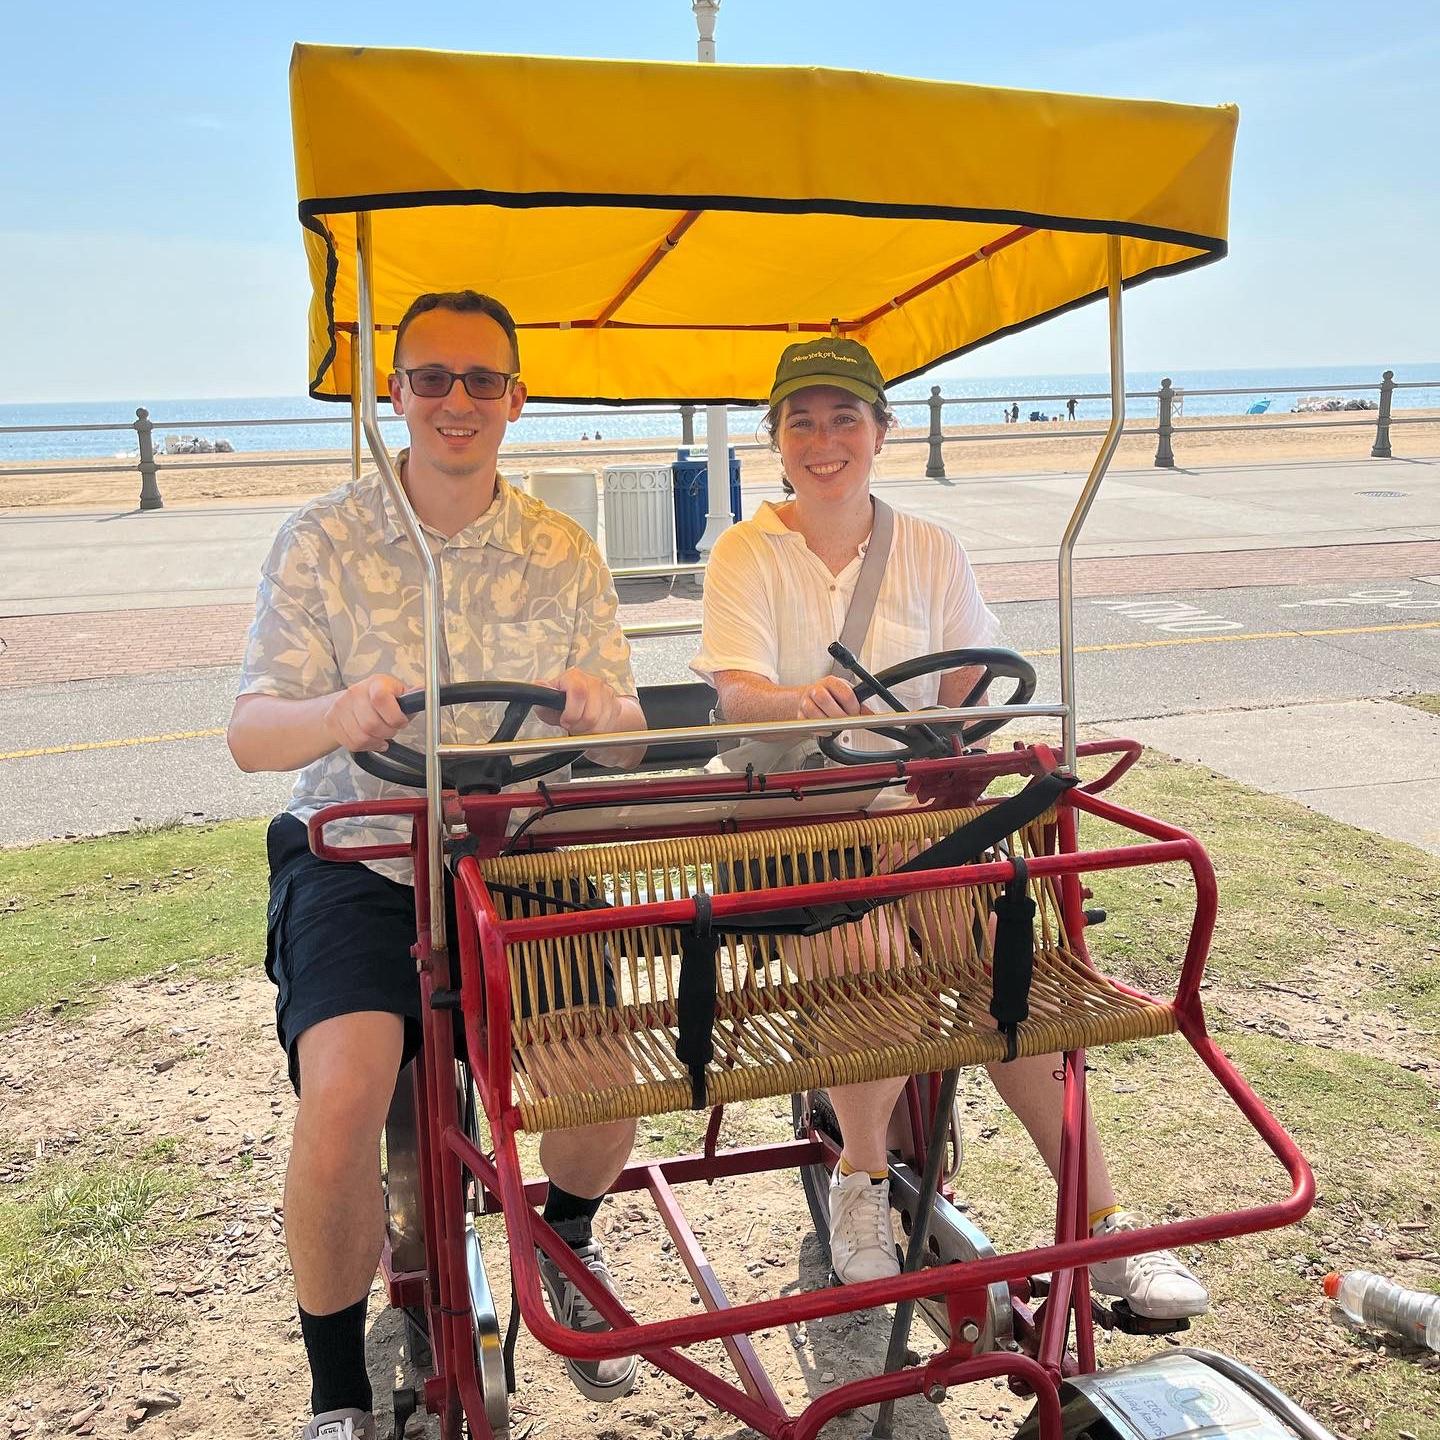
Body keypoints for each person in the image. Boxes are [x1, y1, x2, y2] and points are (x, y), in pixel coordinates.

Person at [691, 335, 1208, 1321]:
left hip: (927, 821)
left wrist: (960, 722)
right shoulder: (748, 550)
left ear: (881, 431)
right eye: (802, 419)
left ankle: (1100, 1228)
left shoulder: (929, 548)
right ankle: (862, 1182)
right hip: (799, 827)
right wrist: (793, 702)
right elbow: (738, 695)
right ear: (778, 438)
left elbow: (977, 680)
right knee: (872, 948)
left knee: (1000, 958)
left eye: (845, 417)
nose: (823, 437)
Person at [228, 290, 646, 1439]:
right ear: (394, 396)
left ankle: (564, 1238)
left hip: (520, 847)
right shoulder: (322, 539)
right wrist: (335, 714)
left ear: (515, 399)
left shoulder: (562, 548)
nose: (455, 402)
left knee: (608, 1074)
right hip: (361, 852)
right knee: (346, 1095)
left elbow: (623, 730)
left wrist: (605, 715)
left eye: (479, 380)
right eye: (430, 379)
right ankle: (339, 1391)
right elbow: (252, 731)